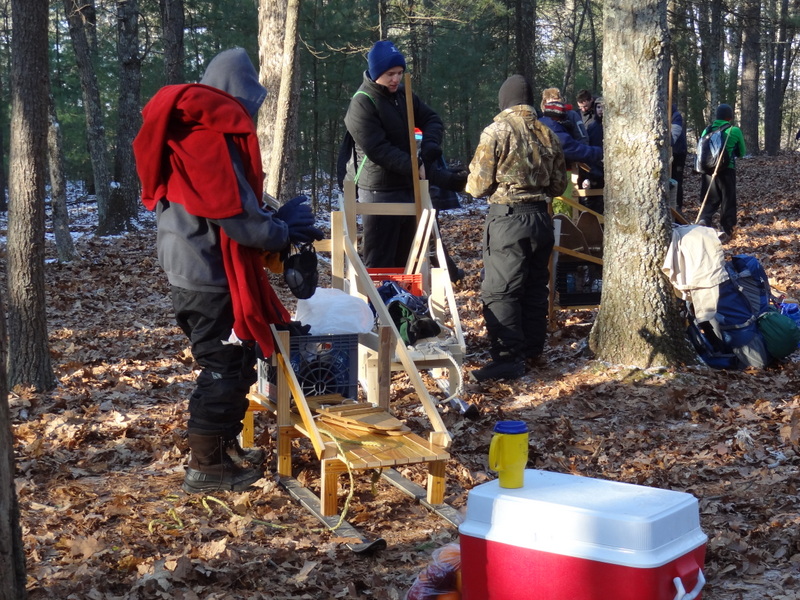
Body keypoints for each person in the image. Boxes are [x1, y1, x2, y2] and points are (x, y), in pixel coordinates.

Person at [133, 48, 323, 493]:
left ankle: (223, 449)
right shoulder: (204, 141)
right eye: (249, 105)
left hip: (195, 263)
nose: (249, 117)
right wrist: (279, 232)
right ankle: (207, 465)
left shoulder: (189, 132)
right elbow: (235, 214)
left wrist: (274, 220)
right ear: (235, 95)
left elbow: (231, 203)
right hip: (205, 271)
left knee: (233, 360)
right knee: (224, 365)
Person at [465, 74, 567, 382]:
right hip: (540, 219)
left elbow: (478, 186)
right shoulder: (548, 133)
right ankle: (533, 350)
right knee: (535, 286)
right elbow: (559, 185)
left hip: (508, 219)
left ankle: (508, 358)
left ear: (504, 100)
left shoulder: (496, 131)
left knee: (500, 290)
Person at [344, 40, 444, 268]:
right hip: (378, 191)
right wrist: (414, 165)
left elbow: (432, 119)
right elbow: (377, 149)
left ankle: (404, 293)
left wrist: (430, 146)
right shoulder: (362, 102)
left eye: (399, 73)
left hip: (407, 186)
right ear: (376, 72)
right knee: (380, 261)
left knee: (408, 260)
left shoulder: (403, 95)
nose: (396, 79)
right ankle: (378, 293)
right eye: (390, 74)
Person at [697, 103, 745, 243]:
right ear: (730, 117)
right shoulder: (734, 130)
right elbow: (742, 152)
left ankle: (704, 221)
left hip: (708, 170)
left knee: (710, 198)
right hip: (726, 169)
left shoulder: (707, 130)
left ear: (717, 116)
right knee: (727, 199)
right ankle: (727, 230)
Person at [671, 104, 688, 212]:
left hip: (678, 153)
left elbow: (672, 138)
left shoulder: (676, 116)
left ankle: (677, 207)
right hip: (670, 153)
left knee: (676, 179)